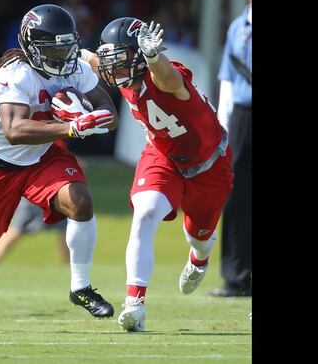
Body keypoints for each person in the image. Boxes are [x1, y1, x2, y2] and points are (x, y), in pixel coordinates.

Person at [0, 4, 118, 330]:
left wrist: (98, 118)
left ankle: (80, 287)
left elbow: (107, 108)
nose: (64, 54)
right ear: (33, 47)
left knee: (80, 201)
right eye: (55, 48)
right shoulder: (14, 74)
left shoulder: (74, 67)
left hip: (42, 157)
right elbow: (14, 131)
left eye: (67, 45)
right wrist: (71, 128)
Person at [80, 17, 233, 332]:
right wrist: (71, 51)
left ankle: (200, 257)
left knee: (200, 237)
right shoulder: (124, 73)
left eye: (121, 60)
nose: (114, 70)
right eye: (112, 61)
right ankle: (134, 304)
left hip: (209, 165)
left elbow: (167, 77)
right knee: (145, 213)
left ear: (139, 56)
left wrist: (153, 58)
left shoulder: (165, 76)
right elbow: (92, 60)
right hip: (163, 156)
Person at [207, 0, 252, 298]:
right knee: (236, 195)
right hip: (243, 115)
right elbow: (228, 78)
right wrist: (220, 128)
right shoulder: (239, 27)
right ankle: (237, 277)